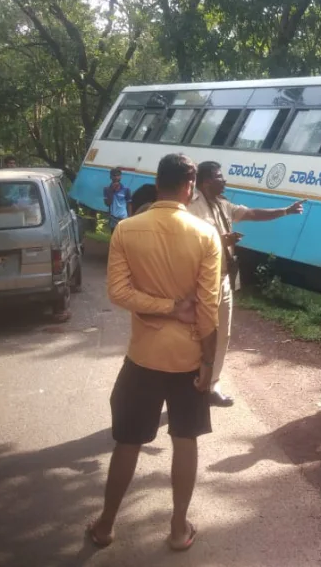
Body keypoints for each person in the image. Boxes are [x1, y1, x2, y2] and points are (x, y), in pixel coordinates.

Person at [88, 154, 221, 552]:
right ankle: (179, 529)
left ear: (157, 182)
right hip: (187, 358)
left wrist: (164, 307)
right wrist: (208, 363)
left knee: (128, 442)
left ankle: (105, 526)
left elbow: (118, 293)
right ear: (189, 185)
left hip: (143, 357)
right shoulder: (205, 234)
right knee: (185, 440)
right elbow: (209, 307)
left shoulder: (127, 230)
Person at [187, 161, 305, 407]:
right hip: (202, 281)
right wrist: (220, 240)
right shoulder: (191, 207)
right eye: (220, 177)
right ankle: (190, 382)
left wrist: (285, 211)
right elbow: (188, 242)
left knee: (223, 335)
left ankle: (211, 385)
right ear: (207, 181)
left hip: (224, 278)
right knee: (198, 334)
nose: (225, 181)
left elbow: (252, 214)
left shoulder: (223, 205)